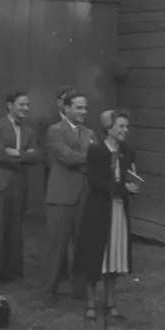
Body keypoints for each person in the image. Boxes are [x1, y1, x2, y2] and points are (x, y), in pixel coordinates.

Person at [74, 108, 141, 322]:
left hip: (119, 210)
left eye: (125, 126)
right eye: (120, 126)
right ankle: (91, 303)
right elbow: (95, 182)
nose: (125, 130)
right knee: (96, 255)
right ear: (108, 128)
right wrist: (122, 188)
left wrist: (134, 186)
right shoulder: (96, 151)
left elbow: (133, 176)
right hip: (99, 210)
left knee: (116, 255)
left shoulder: (128, 150)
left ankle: (111, 303)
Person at [0, 91, 44, 283]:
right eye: (21, 104)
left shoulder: (29, 131)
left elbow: (37, 157)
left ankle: (13, 272)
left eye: (27, 105)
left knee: (16, 228)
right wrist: (24, 154)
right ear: (10, 105)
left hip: (18, 183)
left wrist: (16, 153)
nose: (25, 108)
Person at [40, 90, 94, 302]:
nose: (83, 111)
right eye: (79, 108)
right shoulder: (55, 131)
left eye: (85, 108)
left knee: (82, 245)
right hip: (61, 196)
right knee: (57, 246)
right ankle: (48, 291)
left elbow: (94, 158)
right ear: (67, 109)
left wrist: (86, 159)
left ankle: (80, 292)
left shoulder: (89, 132)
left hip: (84, 194)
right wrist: (88, 158)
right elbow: (66, 157)